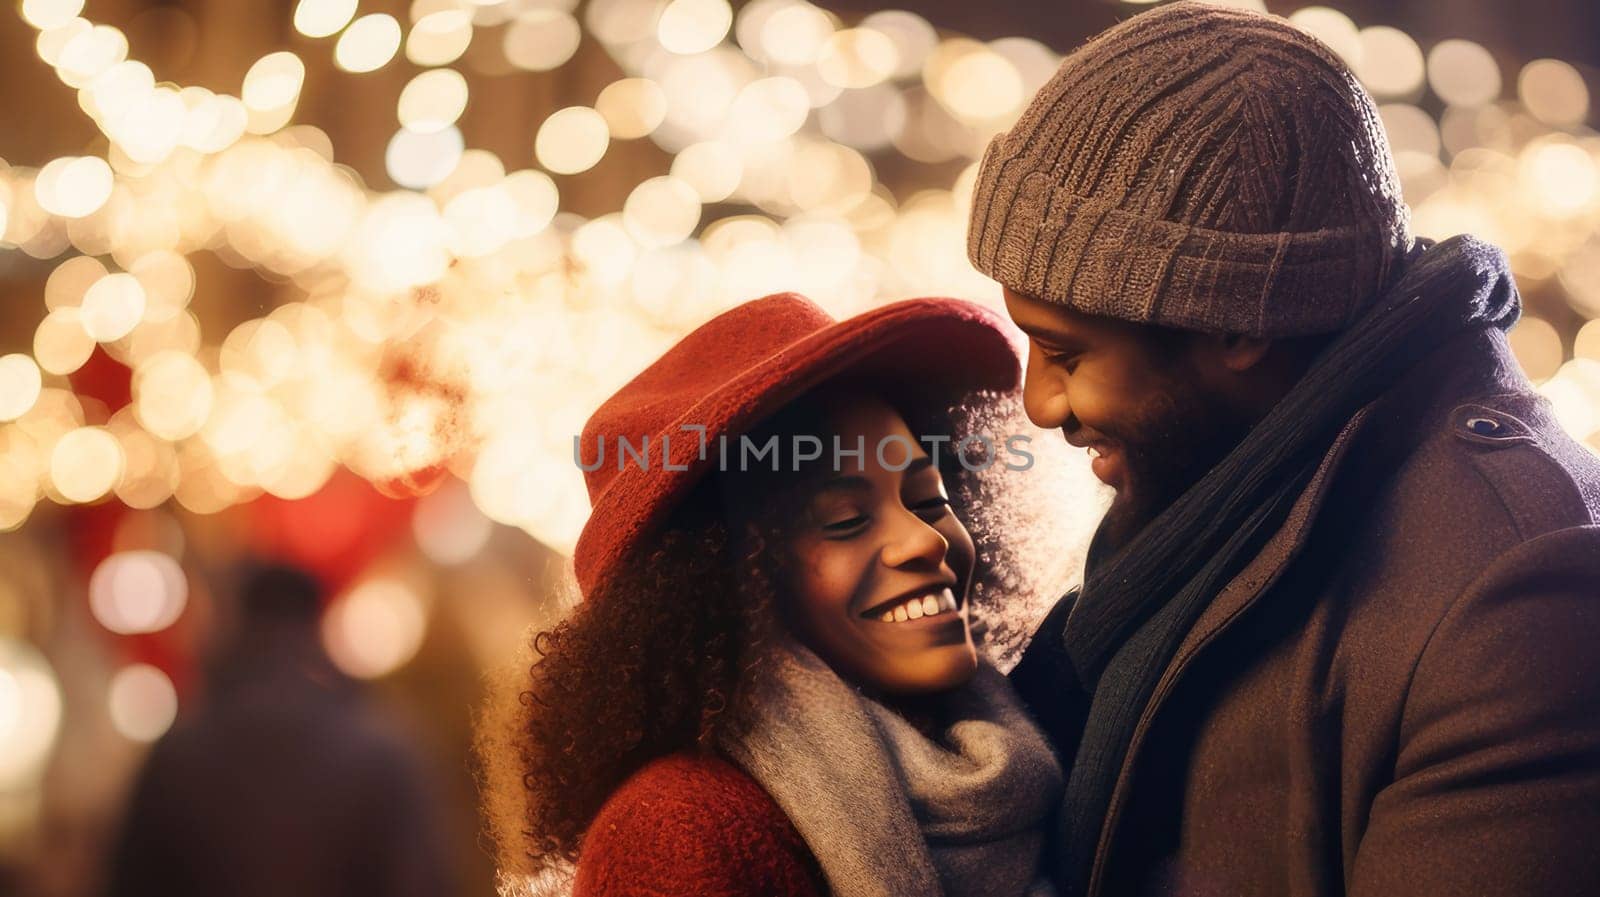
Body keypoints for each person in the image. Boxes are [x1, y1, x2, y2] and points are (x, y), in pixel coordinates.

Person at [964, 3, 1600, 896]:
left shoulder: (1514, 597)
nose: (1039, 404)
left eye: (1070, 353)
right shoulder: (1221, 490)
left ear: (1236, 326)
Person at [493, 293, 1064, 897]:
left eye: (930, 502)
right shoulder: (680, 831)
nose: (923, 540)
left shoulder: (1041, 752)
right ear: (724, 586)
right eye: (846, 519)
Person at [105, 564, 457, 897]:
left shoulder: (179, 755)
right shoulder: (381, 752)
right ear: (317, 629)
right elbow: (419, 882)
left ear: (235, 624)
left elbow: (130, 882)